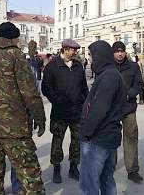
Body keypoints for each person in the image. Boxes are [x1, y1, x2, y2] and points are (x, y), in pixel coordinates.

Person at [0, 22, 46, 194]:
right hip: (15, 128)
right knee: (30, 176)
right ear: (14, 38)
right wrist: (40, 118)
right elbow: (30, 92)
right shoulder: (16, 55)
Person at [79, 40, 126, 195]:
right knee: (106, 180)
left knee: (89, 185)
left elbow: (99, 109)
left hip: (98, 138)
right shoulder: (109, 74)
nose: (90, 59)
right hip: (107, 136)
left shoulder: (109, 76)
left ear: (100, 56)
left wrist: (85, 132)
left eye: (92, 56)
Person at [42, 39, 89, 184]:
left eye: (76, 50)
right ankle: (56, 167)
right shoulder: (52, 66)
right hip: (60, 112)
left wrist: (86, 102)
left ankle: (73, 167)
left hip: (76, 111)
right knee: (58, 140)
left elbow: (84, 87)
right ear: (65, 49)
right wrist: (57, 100)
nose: (75, 52)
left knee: (77, 140)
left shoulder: (78, 66)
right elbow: (46, 88)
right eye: (73, 50)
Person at [112, 41, 144, 183]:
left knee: (130, 138)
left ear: (125, 52)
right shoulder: (108, 67)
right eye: (117, 51)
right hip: (111, 109)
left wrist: (129, 94)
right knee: (111, 137)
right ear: (113, 53)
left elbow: (139, 84)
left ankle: (132, 170)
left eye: (122, 51)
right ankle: (109, 164)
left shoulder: (133, 66)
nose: (120, 53)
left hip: (128, 108)